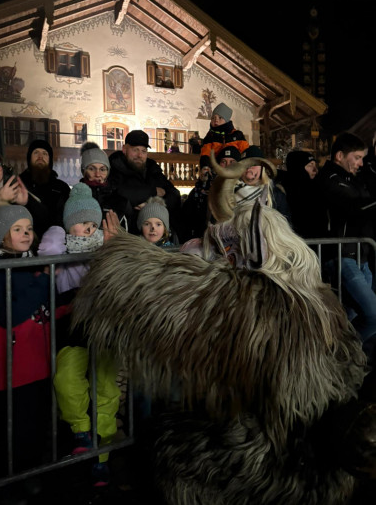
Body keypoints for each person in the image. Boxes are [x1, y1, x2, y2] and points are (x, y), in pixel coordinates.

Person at [69, 154, 374, 505]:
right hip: (318, 467)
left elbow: (155, 296)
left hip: (268, 463)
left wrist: (117, 251)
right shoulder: (322, 300)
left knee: (175, 453)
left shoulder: (253, 299)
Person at [38, 183, 121, 487]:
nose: (87, 230)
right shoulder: (61, 248)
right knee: (66, 379)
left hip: (103, 327)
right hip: (71, 327)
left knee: (106, 388)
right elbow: (47, 251)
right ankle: (81, 433)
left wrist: (108, 245)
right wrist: (61, 229)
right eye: (80, 223)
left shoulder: (104, 248)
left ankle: (102, 453)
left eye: (91, 224)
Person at [0, 199, 51, 499]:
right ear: (1, 235)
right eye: (17, 229)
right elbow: (10, 314)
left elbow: (51, 306)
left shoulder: (32, 265)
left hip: (38, 363)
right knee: (12, 427)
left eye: (29, 228)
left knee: (36, 422)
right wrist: (44, 282)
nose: (26, 233)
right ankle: (9, 480)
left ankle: (31, 471)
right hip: (12, 371)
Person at [316, 131, 376, 362]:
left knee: (349, 318)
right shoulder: (329, 179)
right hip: (342, 257)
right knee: (372, 315)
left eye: (362, 158)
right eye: (357, 157)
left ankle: (352, 367)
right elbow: (354, 207)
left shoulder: (354, 179)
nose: (360, 163)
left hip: (361, 257)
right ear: (340, 156)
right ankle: (343, 359)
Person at [108, 130, 182, 237]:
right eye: (135, 150)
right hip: (128, 235)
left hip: (156, 236)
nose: (140, 155)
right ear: (124, 149)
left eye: (143, 151)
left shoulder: (152, 169)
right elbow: (120, 193)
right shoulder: (114, 167)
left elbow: (174, 194)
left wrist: (153, 205)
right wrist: (154, 191)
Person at [19, 139, 71, 238]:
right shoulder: (19, 185)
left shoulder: (62, 188)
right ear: (29, 158)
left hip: (55, 241)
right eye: (36, 153)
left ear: (50, 159)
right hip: (25, 239)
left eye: (44, 153)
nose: (40, 156)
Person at [79, 141, 132, 230]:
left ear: (108, 172)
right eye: (91, 169)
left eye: (102, 169)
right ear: (83, 171)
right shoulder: (74, 198)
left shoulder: (121, 201)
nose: (98, 174)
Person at [279, 150, 321, 239]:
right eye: (310, 165)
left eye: (315, 165)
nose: (315, 170)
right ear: (298, 167)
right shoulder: (284, 189)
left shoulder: (316, 187)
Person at [199, 102, 248, 170]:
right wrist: (205, 167)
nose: (216, 120)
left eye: (220, 117)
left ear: (227, 120)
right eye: (213, 118)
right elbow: (205, 154)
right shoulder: (210, 137)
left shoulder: (237, 135)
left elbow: (245, 151)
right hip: (217, 169)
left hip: (235, 169)